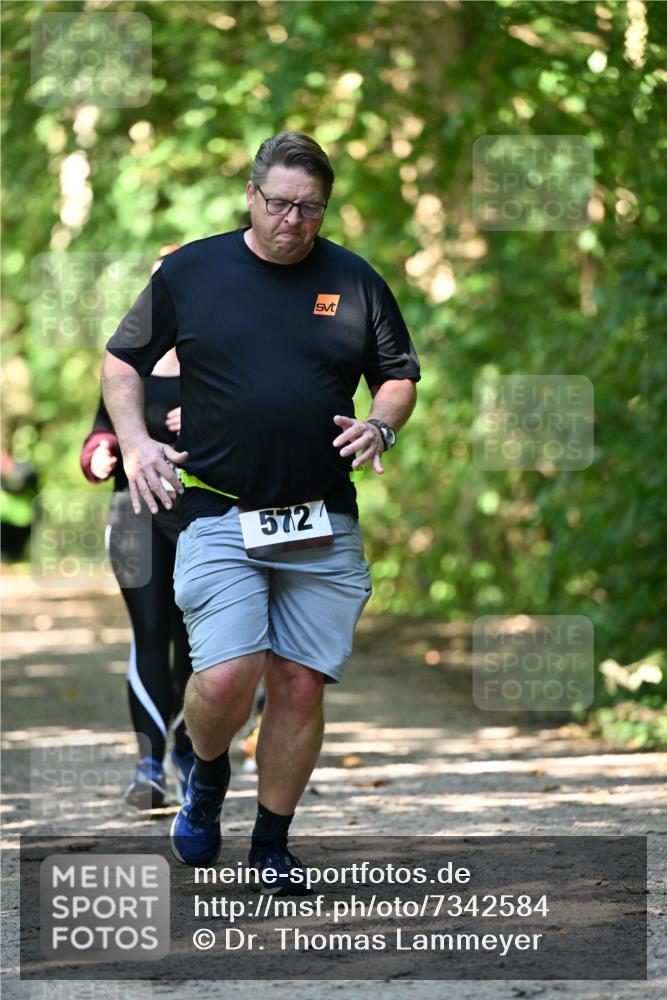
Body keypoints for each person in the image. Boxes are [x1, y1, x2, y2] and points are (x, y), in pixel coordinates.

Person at [101, 131, 420, 890]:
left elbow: (398, 375)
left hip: (321, 516)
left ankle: (272, 842)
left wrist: (381, 425)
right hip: (218, 508)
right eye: (278, 203)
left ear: (325, 208)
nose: (292, 220)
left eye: (309, 208)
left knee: (300, 683)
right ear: (251, 195)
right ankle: (206, 774)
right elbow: (121, 361)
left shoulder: (354, 279)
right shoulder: (191, 271)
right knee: (226, 676)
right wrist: (136, 442)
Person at [81, 246, 195, 809]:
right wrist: (99, 454)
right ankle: (148, 766)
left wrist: (208, 418)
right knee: (150, 632)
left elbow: (263, 426)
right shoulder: (126, 358)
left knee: (198, 643)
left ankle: (190, 756)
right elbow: (100, 430)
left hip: (203, 515)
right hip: (134, 512)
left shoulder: (218, 355)